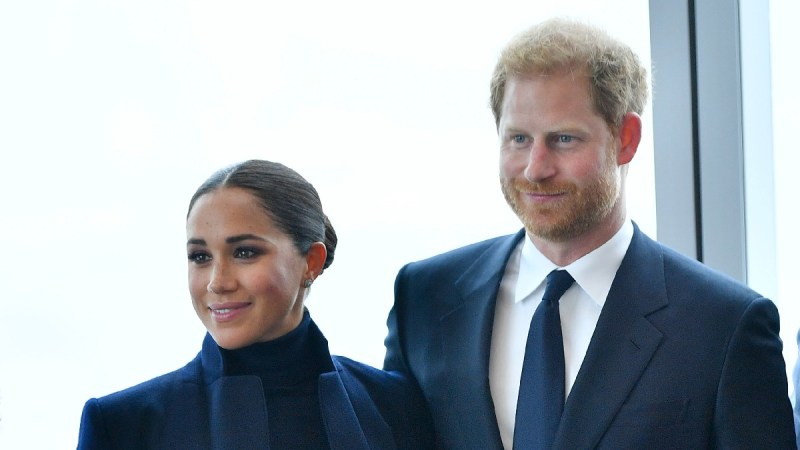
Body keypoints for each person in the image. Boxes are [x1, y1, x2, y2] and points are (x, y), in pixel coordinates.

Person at [383, 18, 796, 449]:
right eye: (519, 138)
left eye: (563, 139)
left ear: (626, 139)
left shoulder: (724, 326)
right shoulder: (426, 298)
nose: (535, 168)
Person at [78, 159, 434, 449]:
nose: (218, 281)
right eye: (200, 256)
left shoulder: (394, 405)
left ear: (311, 261)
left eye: (245, 252)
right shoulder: (122, 425)